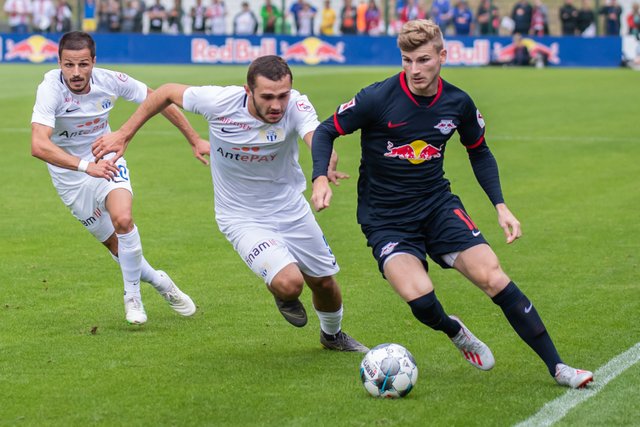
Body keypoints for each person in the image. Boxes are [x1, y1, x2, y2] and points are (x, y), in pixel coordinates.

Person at [310, 19, 594, 389]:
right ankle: (454, 330)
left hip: (438, 207)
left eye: (423, 59)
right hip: (386, 220)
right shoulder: (378, 98)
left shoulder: (457, 103)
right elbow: (327, 129)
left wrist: (500, 206)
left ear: (442, 56)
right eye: (407, 60)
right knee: (420, 297)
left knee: (493, 277)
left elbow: (480, 152)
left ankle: (559, 368)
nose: (414, 69)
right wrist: (319, 176)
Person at [90, 55, 368, 353]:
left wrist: (322, 174)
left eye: (283, 95)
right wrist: (124, 133)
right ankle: (281, 291)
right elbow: (167, 91)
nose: (277, 105)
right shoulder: (219, 101)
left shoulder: (297, 106)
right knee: (290, 283)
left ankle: (332, 335)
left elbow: (319, 140)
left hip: (291, 209)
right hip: (240, 216)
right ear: (248, 91)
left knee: (324, 283)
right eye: (268, 96)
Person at [30, 31, 199, 325]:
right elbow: (39, 145)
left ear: (94, 61)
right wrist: (85, 166)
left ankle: (132, 296)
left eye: (83, 64)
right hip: (70, 176)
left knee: (123, 219)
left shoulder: (111, 80)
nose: (76, 72)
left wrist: (194, 138)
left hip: (106, 159)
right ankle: (161, 282)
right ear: (59, 62)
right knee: (117, 247)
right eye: (68, 65)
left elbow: (158, 99)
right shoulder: (50, 89)